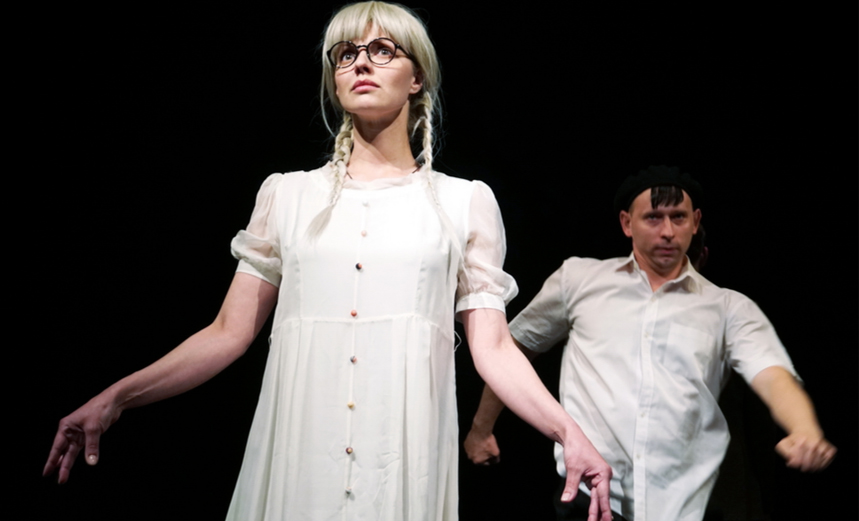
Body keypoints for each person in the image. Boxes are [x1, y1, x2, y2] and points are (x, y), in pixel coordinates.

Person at [43, 3, 613, 520]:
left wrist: (568, 433)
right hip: (300, 455)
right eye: (345, 53)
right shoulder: (287, 195)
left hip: (400, 460)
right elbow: (227, 333)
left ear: (417, 78)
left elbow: (494, 349)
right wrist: (117, 397)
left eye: (382, 50)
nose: (360, 63)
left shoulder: (464, 202)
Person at [464, 165, 836, 521]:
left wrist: (805, 429)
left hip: (683, 506)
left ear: (696, 221)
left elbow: (772, 374)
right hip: (592, 500)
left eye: (679, 217)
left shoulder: (728, 308)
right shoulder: (579, 280)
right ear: (627, 223)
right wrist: (482, 428)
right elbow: (509, 349)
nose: (668, 231)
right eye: (653, 218)